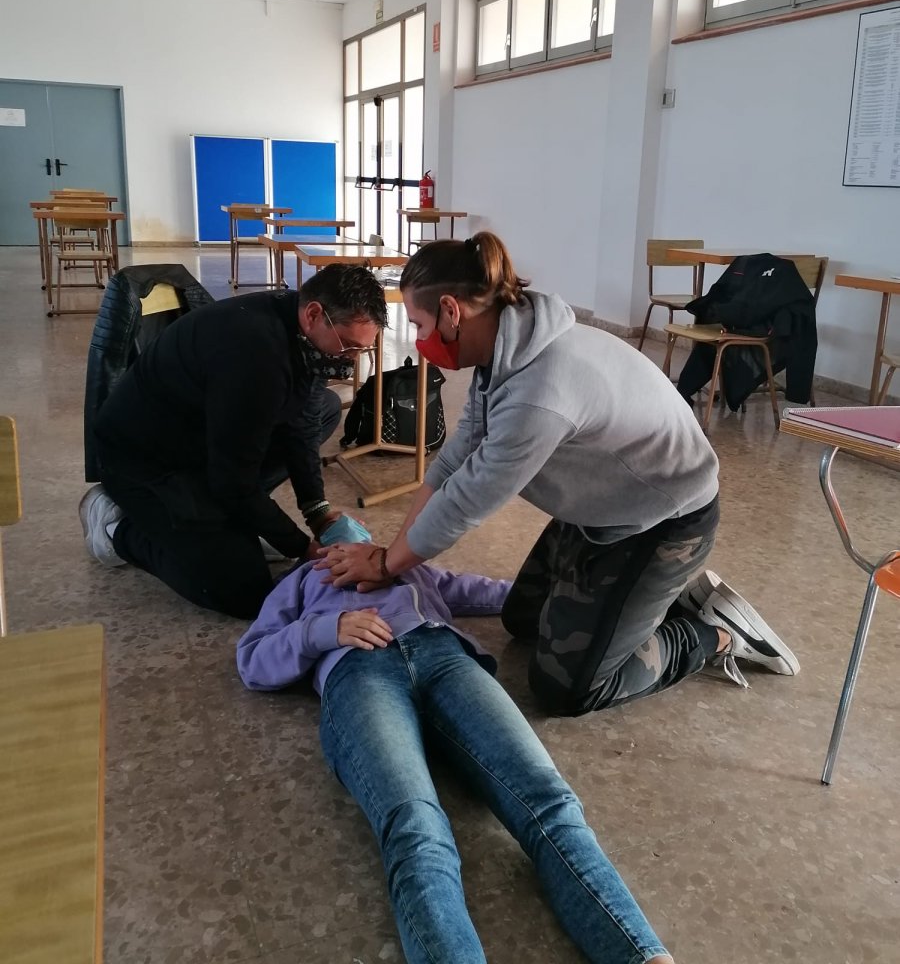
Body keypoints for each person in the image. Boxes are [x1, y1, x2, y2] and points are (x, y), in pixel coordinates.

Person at [315, 232, 799, 711]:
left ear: (450, 311)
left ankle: (710, 633)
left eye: (419, 324)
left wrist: (386, 564)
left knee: (568, 689)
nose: (421, 340)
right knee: (523, 620)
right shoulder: (506, 344)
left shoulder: (539, 391)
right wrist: (389, 555)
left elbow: (464, 503)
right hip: (602, 505)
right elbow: (454, 462)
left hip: (663, 519)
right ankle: (652, 599)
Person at [237, 553, 675, 964]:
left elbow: (487, 591)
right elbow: (253, 660)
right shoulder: (302, 580)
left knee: (551, 800)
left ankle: (645, 956)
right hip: (358, 673)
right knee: (416, 828)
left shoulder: (404, 562)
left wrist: (597, 611)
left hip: (444, 657)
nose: (342, 537)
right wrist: (324, 629)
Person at [79, 264, 386, 618]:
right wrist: (301, 546)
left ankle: (230, 519)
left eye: (361, 351)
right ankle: (118, 528)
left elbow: (301, 426)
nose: (351, 359)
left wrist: (318, 513)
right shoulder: (255, 353)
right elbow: (232, 482)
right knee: (245, 591)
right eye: (348, 346)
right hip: (145, 461)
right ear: (314, 314)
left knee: (325, 409)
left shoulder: (304, 332)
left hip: (204, 441)